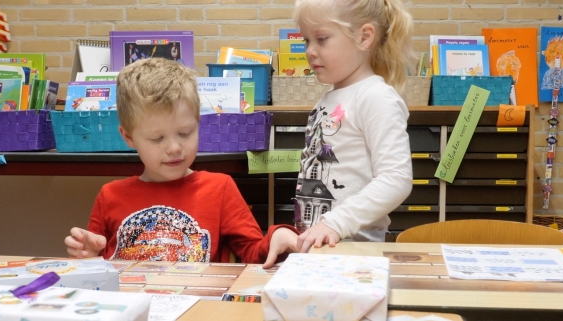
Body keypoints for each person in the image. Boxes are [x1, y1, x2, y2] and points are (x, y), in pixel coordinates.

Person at [65, 58, 298, 268]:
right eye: (157, 138)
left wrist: (277, 237)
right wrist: (89, 258)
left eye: (185, 133)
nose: (175, 148)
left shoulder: (220, 188)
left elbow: (253, 254)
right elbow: (98, 268)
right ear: (128, 136)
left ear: (198, 123)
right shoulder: (110, 196)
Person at [292, 0, 414, 252]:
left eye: (322, 39)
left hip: (353, 251)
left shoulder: (375, 97)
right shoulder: (328, 99)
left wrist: (336, 223)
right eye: (307, 40)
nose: (310, 51)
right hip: (321, 247)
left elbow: (396, 178)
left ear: (364, 37)